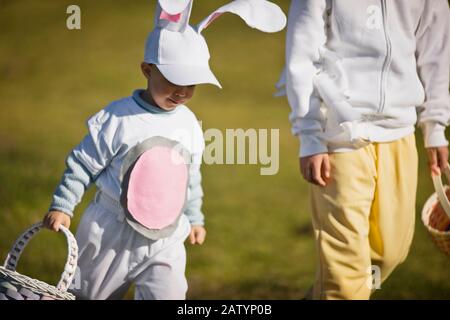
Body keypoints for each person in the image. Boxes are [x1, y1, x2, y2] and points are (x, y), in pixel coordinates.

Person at [43, 0, 286, 299]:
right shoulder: (119, 118)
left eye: (192, 83)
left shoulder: (189, 124)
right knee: (88, 296)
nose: (183, 91)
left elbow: (190, 176)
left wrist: (195, 218)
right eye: (174, 80)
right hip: (110, 233)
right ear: (147, 69)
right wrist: (63, 205)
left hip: (166, 238)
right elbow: (82, 164)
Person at [280, 0, 450, 299]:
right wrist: (310, 135)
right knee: (344, 270)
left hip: (399, 132)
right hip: (341, 135)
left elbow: (436, 46)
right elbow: (302, 53)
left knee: (388, 254)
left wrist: (435, 125)